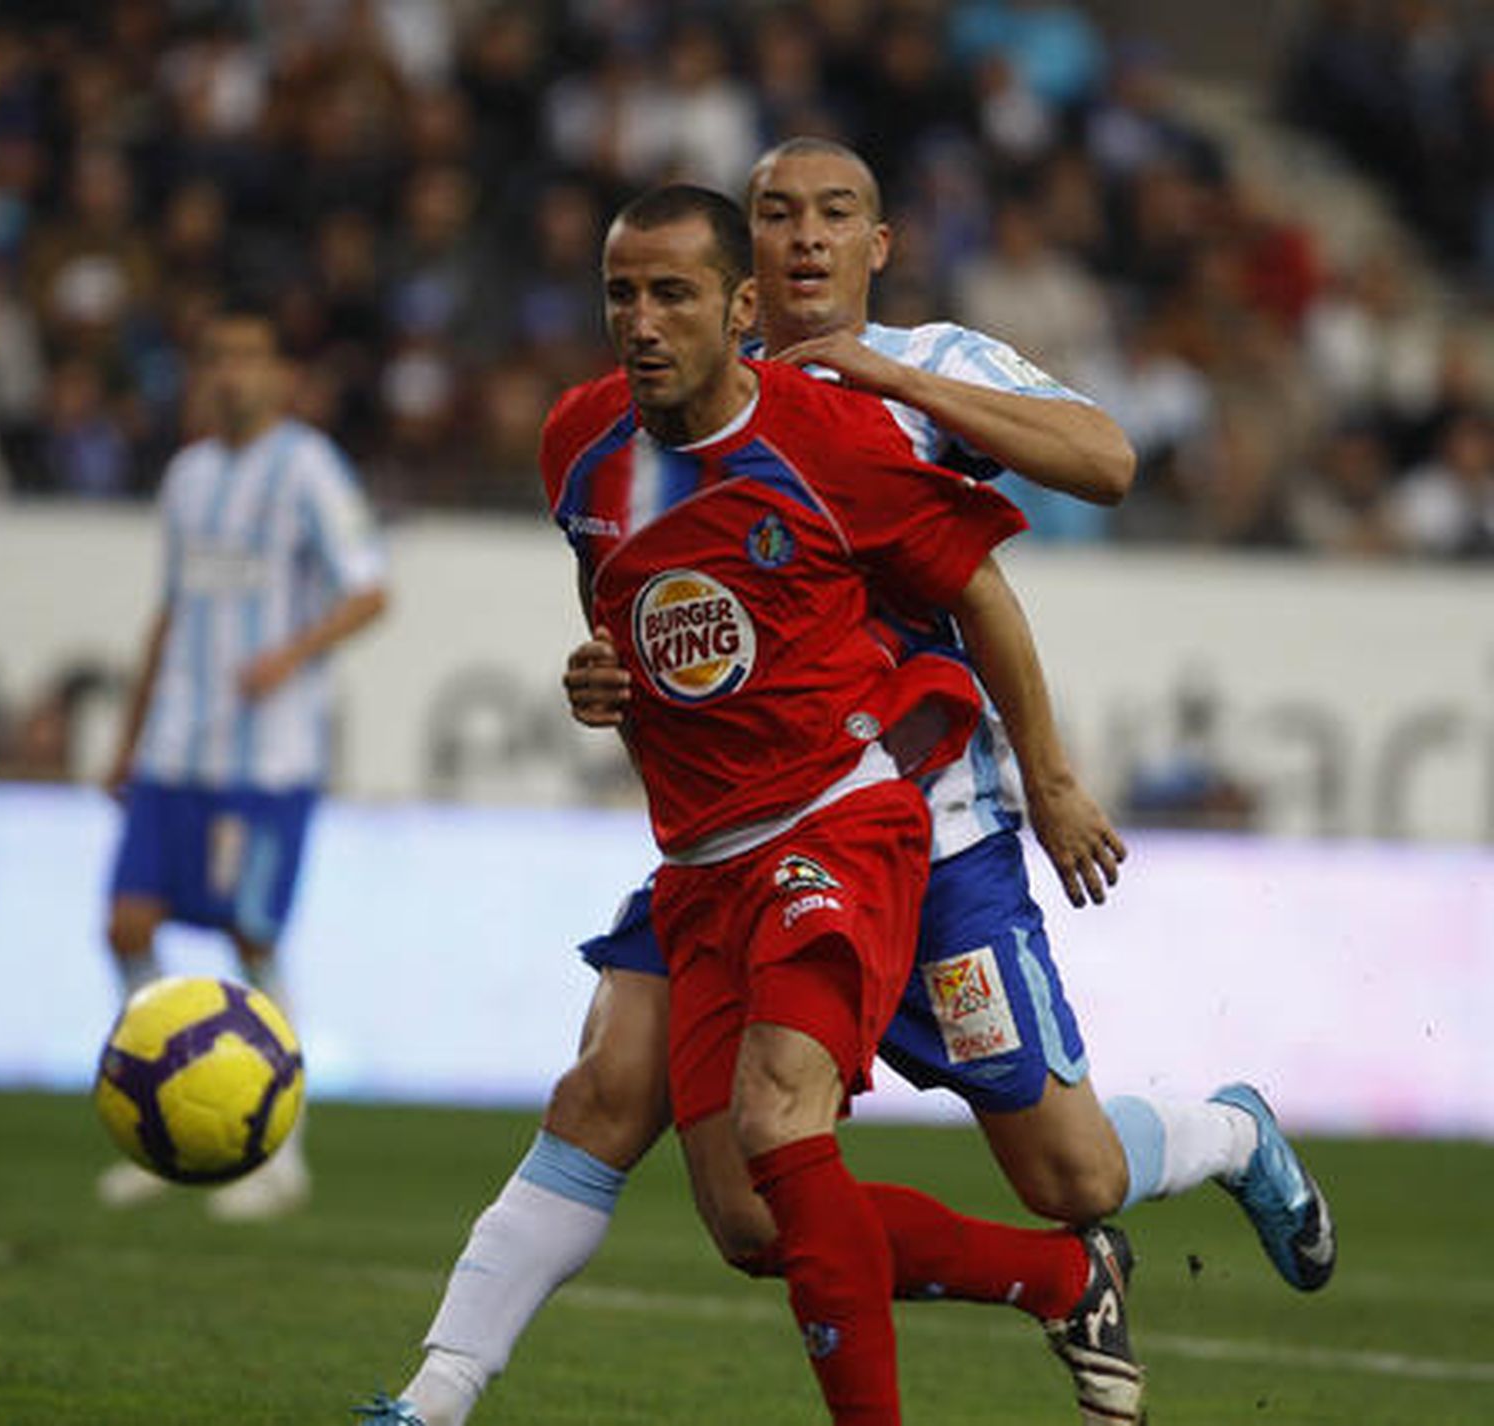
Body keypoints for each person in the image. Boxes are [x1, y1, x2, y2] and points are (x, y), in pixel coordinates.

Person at [367, 142, 1332, 1425]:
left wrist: (1046, 772)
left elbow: (1104, 462)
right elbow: (632, 594)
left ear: (878, 247)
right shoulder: (655, 403)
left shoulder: (924, 371)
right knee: (669, 1145)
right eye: (774, 215)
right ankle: (433, 1394)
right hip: (735, 828)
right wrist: (607, 674)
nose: (804, 238)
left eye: (834, 217)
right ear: (742, 263)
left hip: (928, 824)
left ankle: (1223, 1138)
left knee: (1072, 1170)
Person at [96, 303, 389, 1220]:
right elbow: (167, 609)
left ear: (279, 373)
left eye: (249, 357)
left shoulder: (307, 466)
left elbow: (369, 589)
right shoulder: (187, 476)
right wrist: (129, 735)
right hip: (176, 749)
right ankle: (162, 1115)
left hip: (266, 763)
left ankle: (277, 1148)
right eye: (216, 356)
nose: (231, 374)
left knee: (252, 938)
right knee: (127, 922)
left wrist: (290, 656)